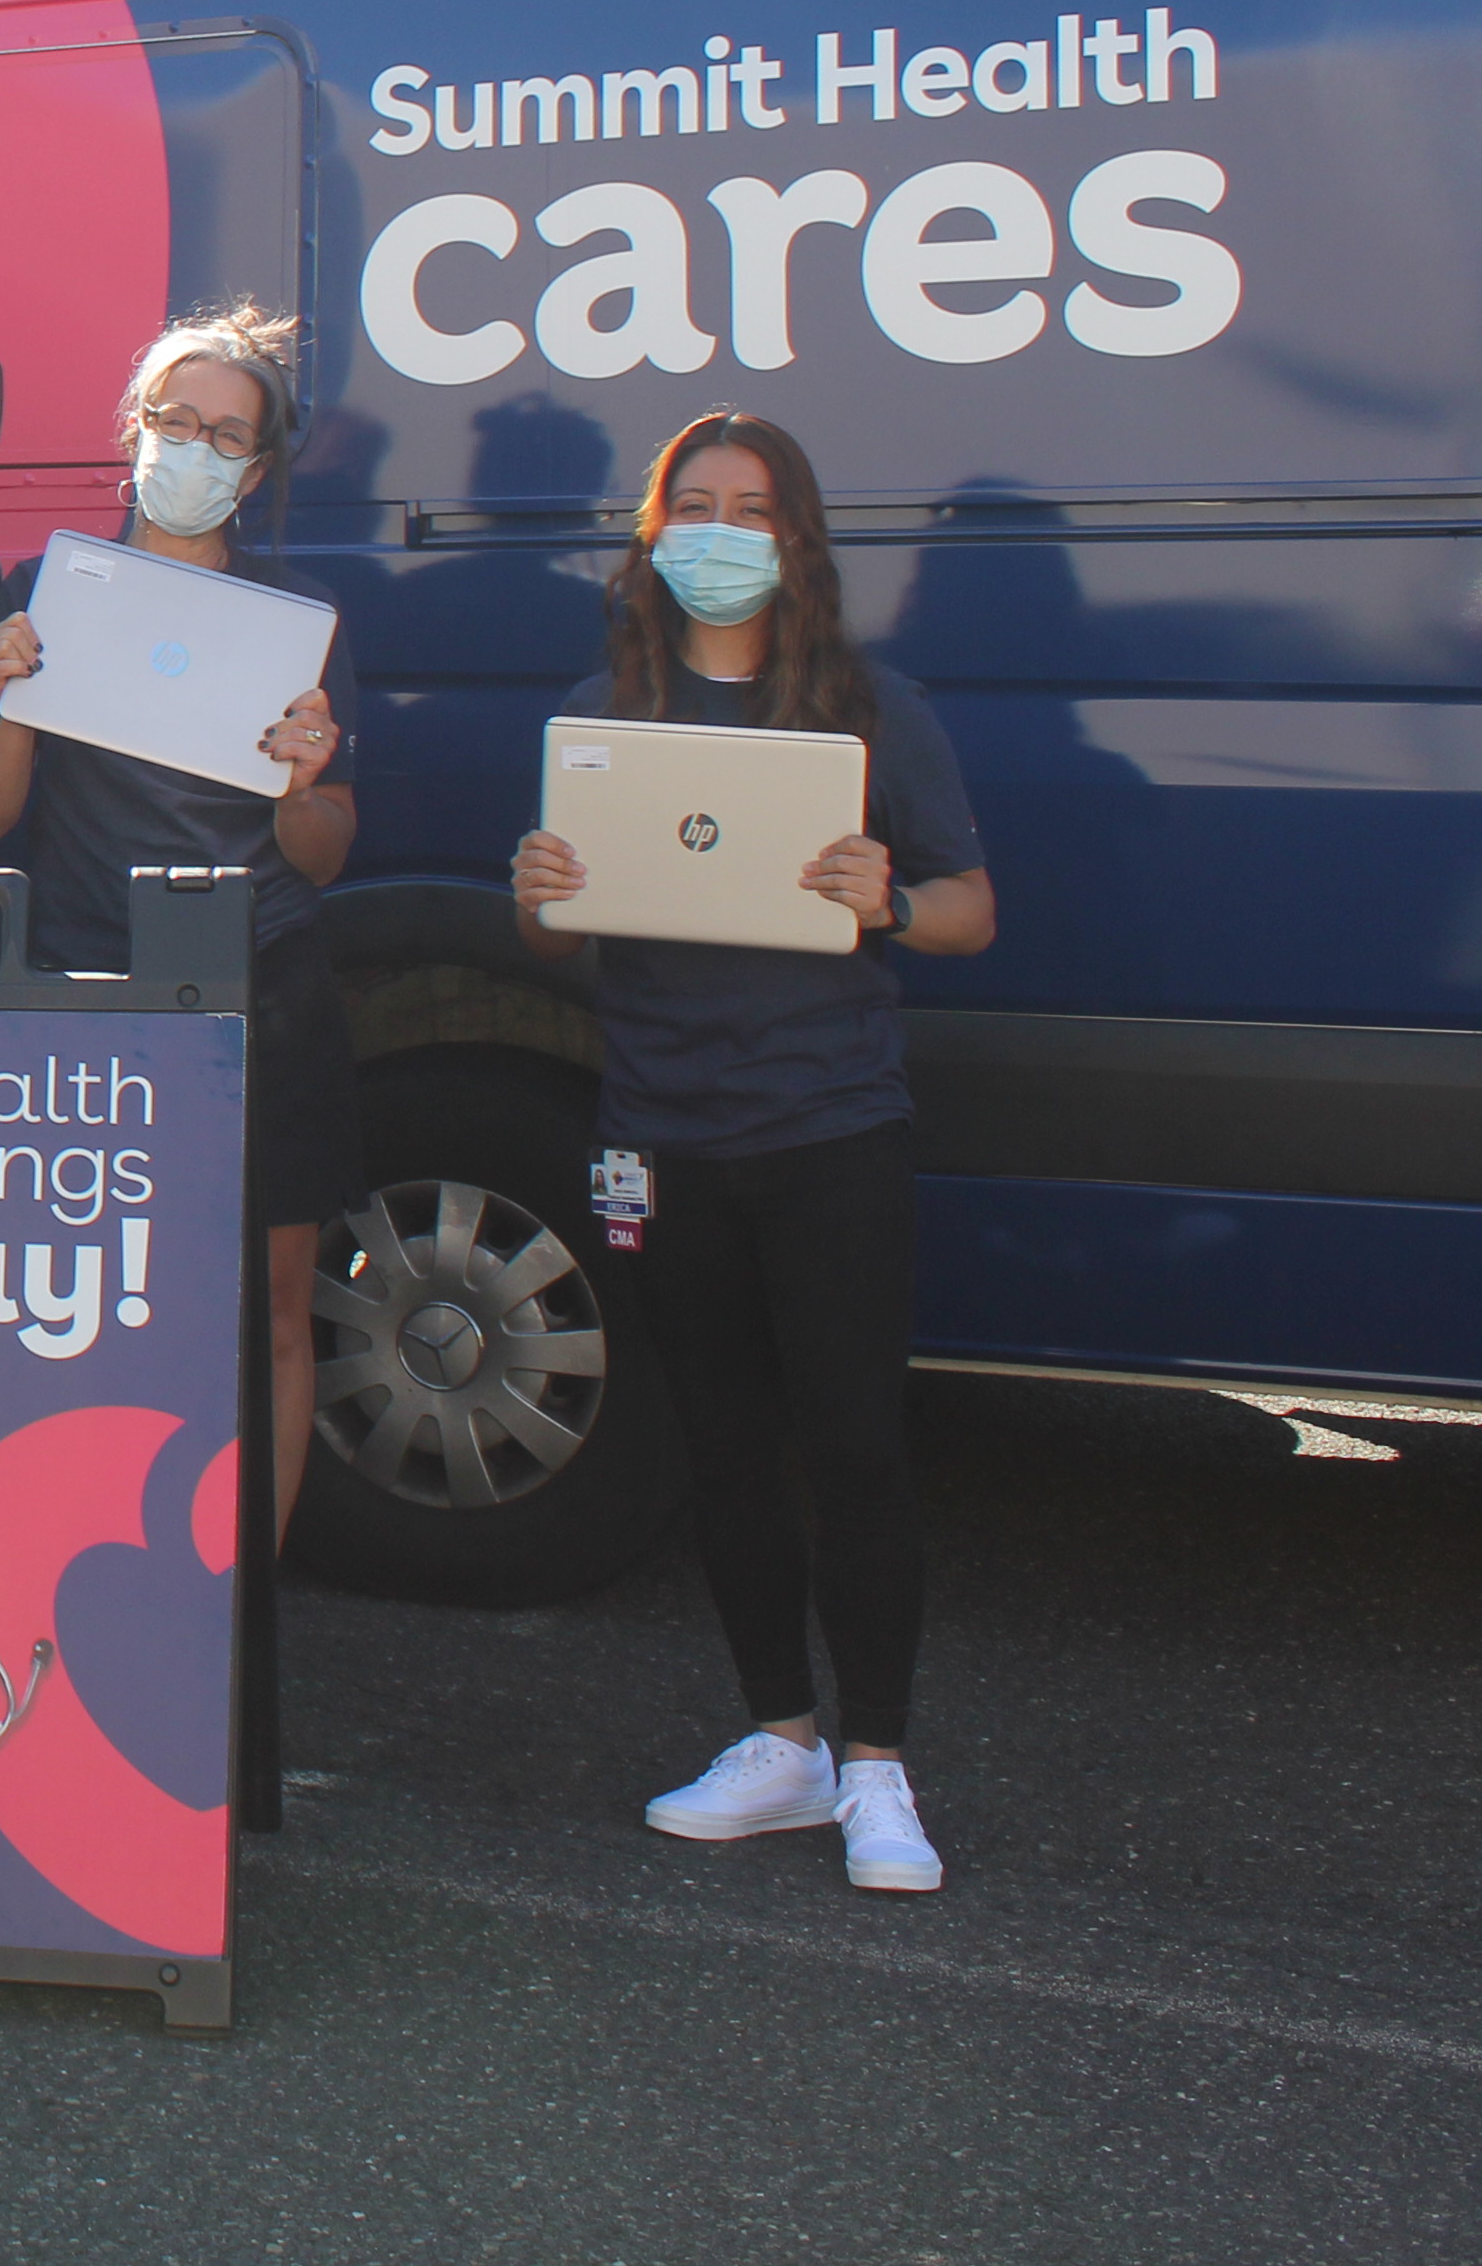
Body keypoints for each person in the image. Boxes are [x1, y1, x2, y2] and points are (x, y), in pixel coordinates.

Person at [509, 410, 995, 1896]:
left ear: (796, 540)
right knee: (722, 1447)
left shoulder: (867, 707)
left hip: (830, 1126)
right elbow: (553, 928)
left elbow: (973, 906)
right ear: (655, 535)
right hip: (662, 1135)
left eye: (752, 508)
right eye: (694, 506)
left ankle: (880, 1767)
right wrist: (539, 888)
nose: (720, 534)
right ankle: (779, 1741)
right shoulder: (609, 710)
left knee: (850, 1444)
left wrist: (890, 899)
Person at [0, 304, 357, 1542]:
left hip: (264, 988)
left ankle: (249, 1618)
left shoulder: (297, 622)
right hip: (92, 989)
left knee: (275, 1306)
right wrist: (11, 695)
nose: (195, 448)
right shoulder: (47, 589)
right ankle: (92, 1575)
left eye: (225, 432)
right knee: (96, 1307)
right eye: (174, 420)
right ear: (133, 432)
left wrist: (301, 775)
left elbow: (326, 851)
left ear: (258, 466)